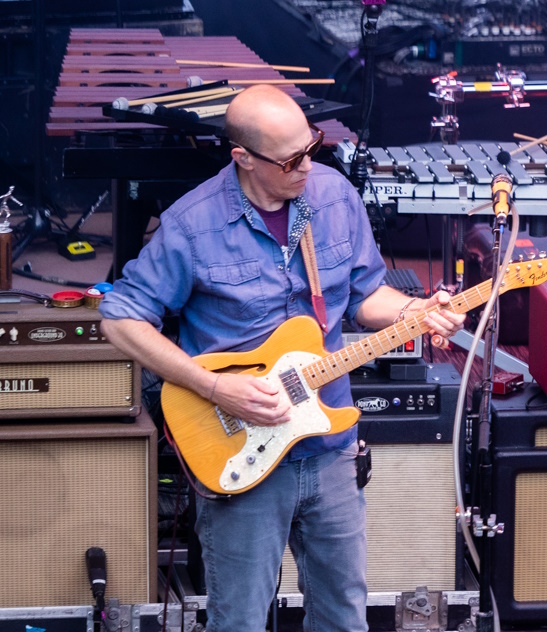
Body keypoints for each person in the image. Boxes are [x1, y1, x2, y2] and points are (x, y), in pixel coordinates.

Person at [98, 85, 465, 631]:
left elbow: (365, 297)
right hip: (239, 454)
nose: (306, 167)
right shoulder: (192, 225)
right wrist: (215, 387)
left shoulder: (334, 197)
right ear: (242, 158)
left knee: (344, 618)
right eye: (291, 159)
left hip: (330, 446)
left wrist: (417, 309)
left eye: (311, 147)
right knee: (240, 622)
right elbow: (120, 317)